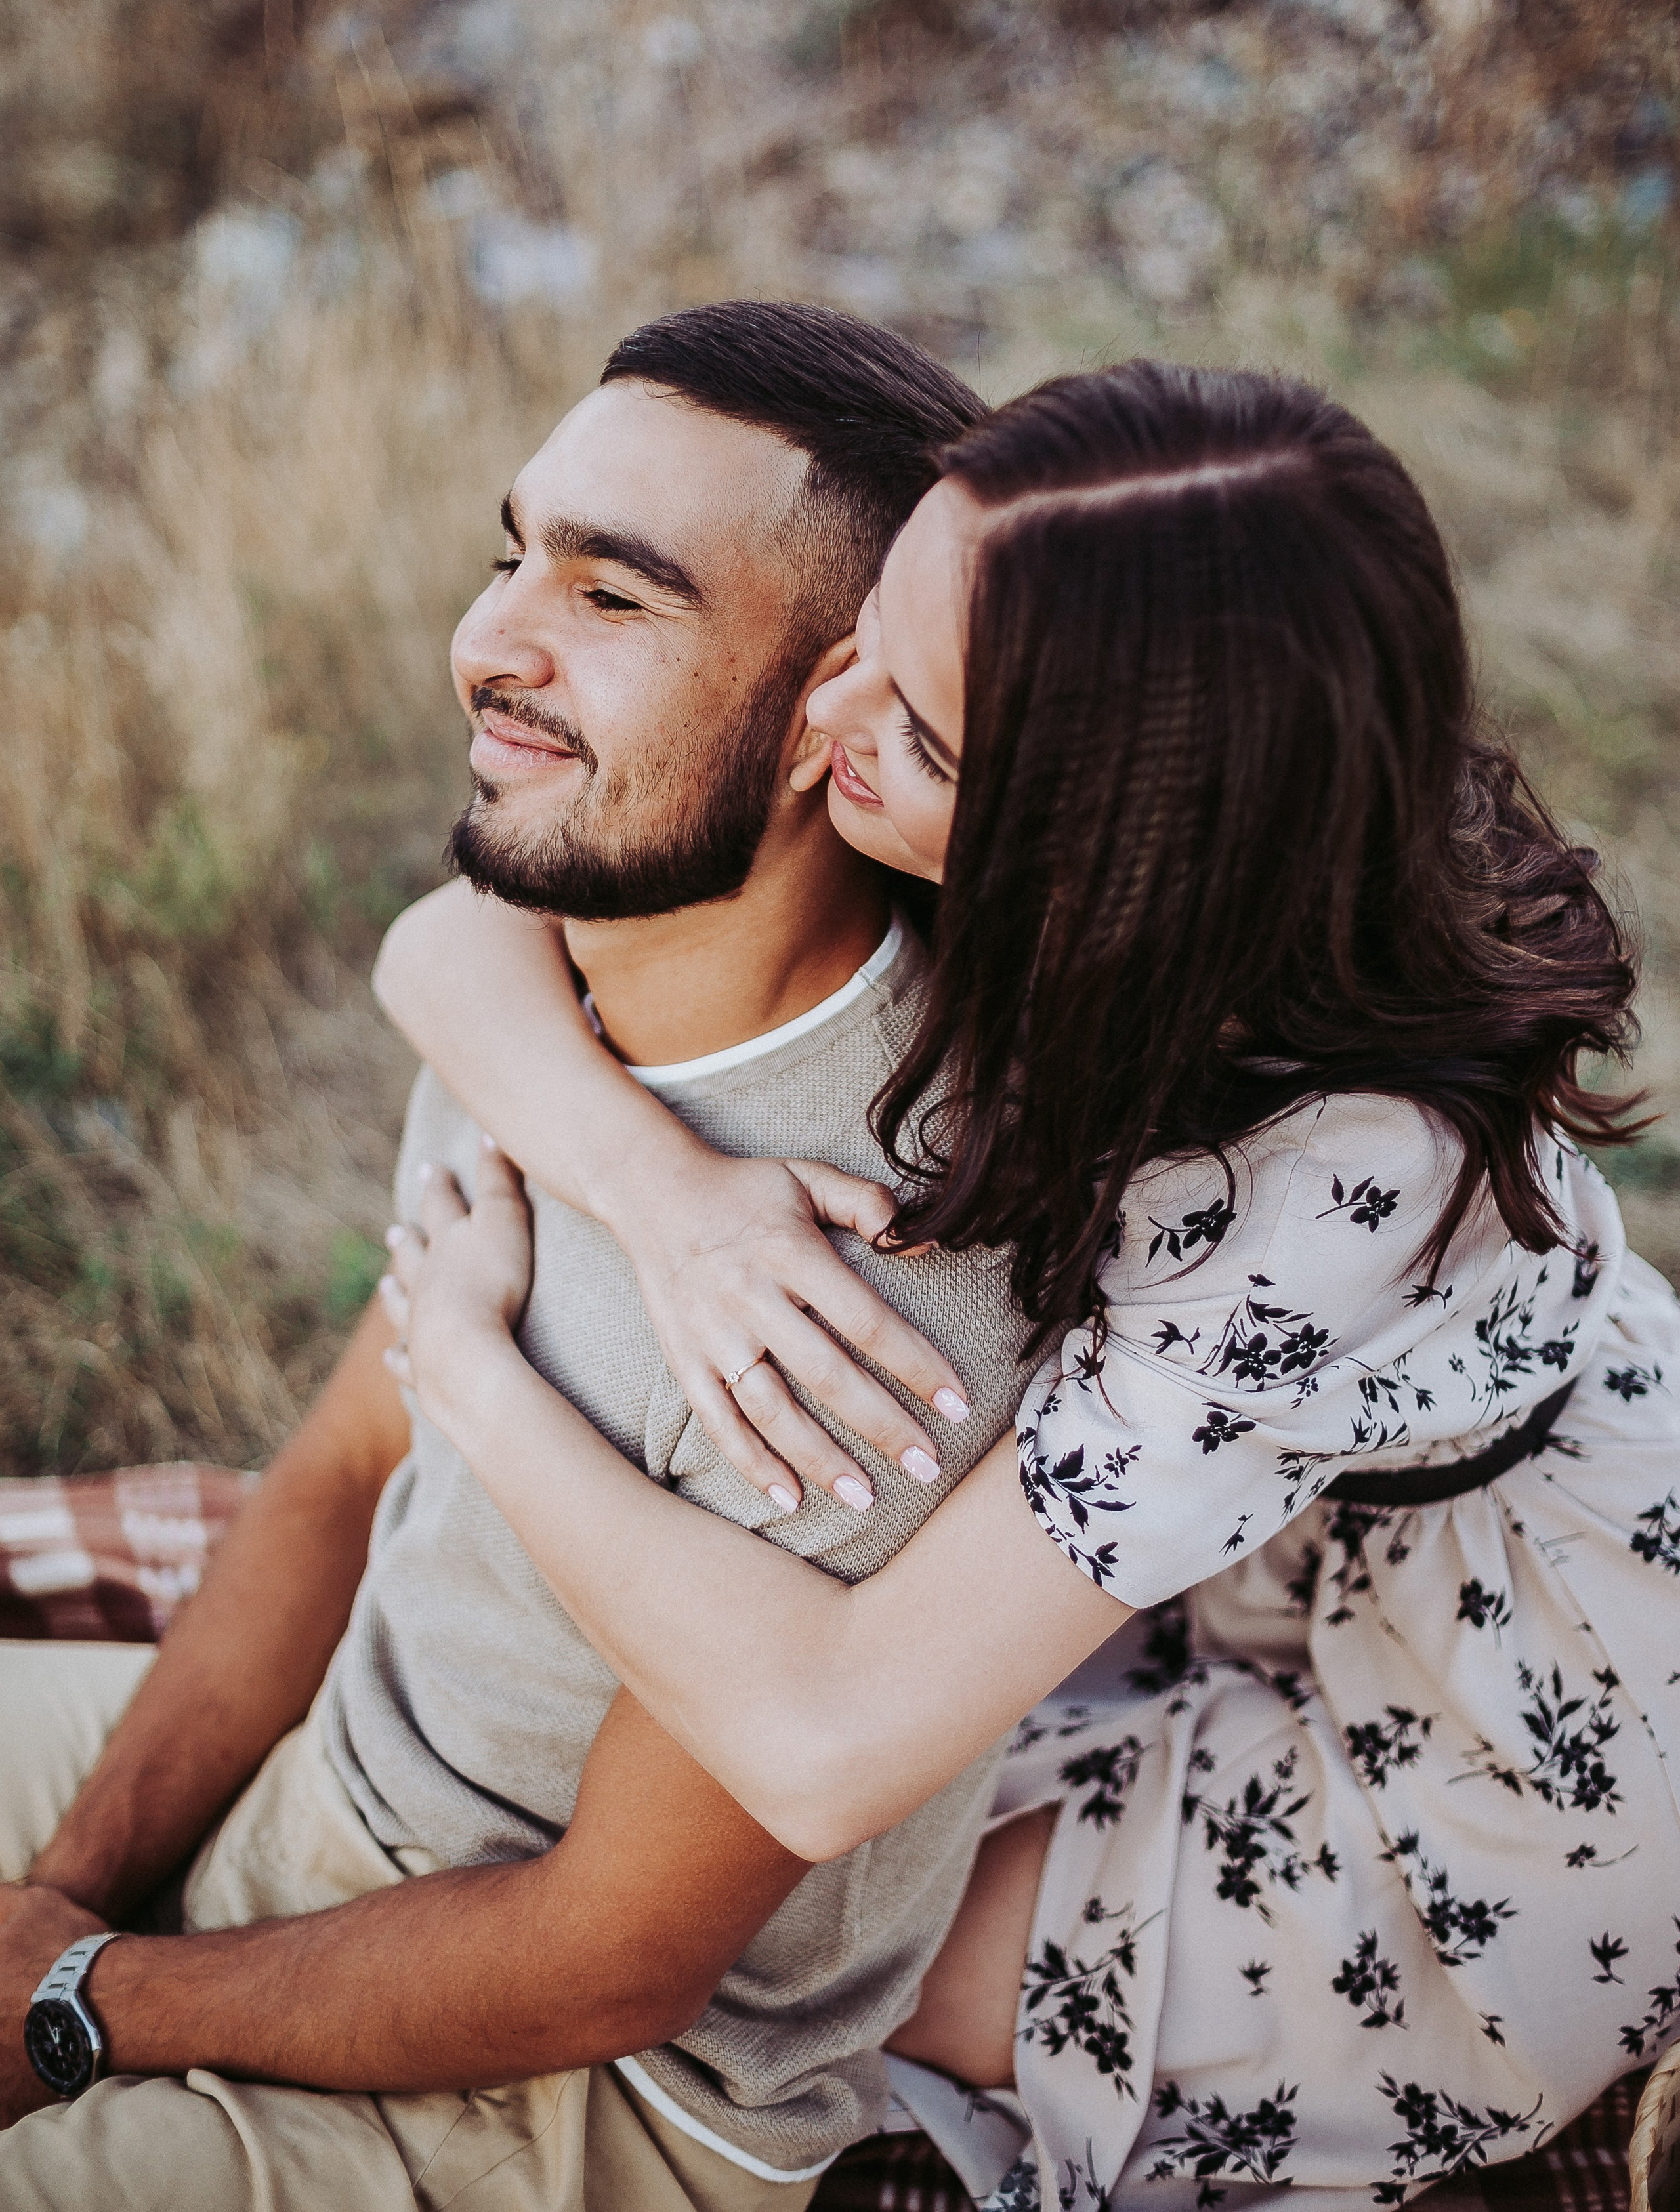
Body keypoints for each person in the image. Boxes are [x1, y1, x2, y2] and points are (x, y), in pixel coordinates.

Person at [375, 360, 1680, 2211]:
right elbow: (447, 943)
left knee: (783, 1962)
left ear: (1104, 850)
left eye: (912, 727)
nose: (825, 714)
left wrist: (469, 1374)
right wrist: (662, 1195)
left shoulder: (1334, 1189)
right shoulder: (1112, 683)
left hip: (1503, 1761)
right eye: (864, 636)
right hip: (1248, 1549)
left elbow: (822, 1747)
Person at [0, 300, 1072, 2209]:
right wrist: (71, 1892)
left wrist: (83, 1997)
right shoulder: (563, 967)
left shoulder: (872, 1292)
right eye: (515, 555)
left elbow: (608, 1958)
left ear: (838, 712)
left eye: (612, 596)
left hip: (569, 2098)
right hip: (330, 1777)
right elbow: (350, 1467)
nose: (488, 644)